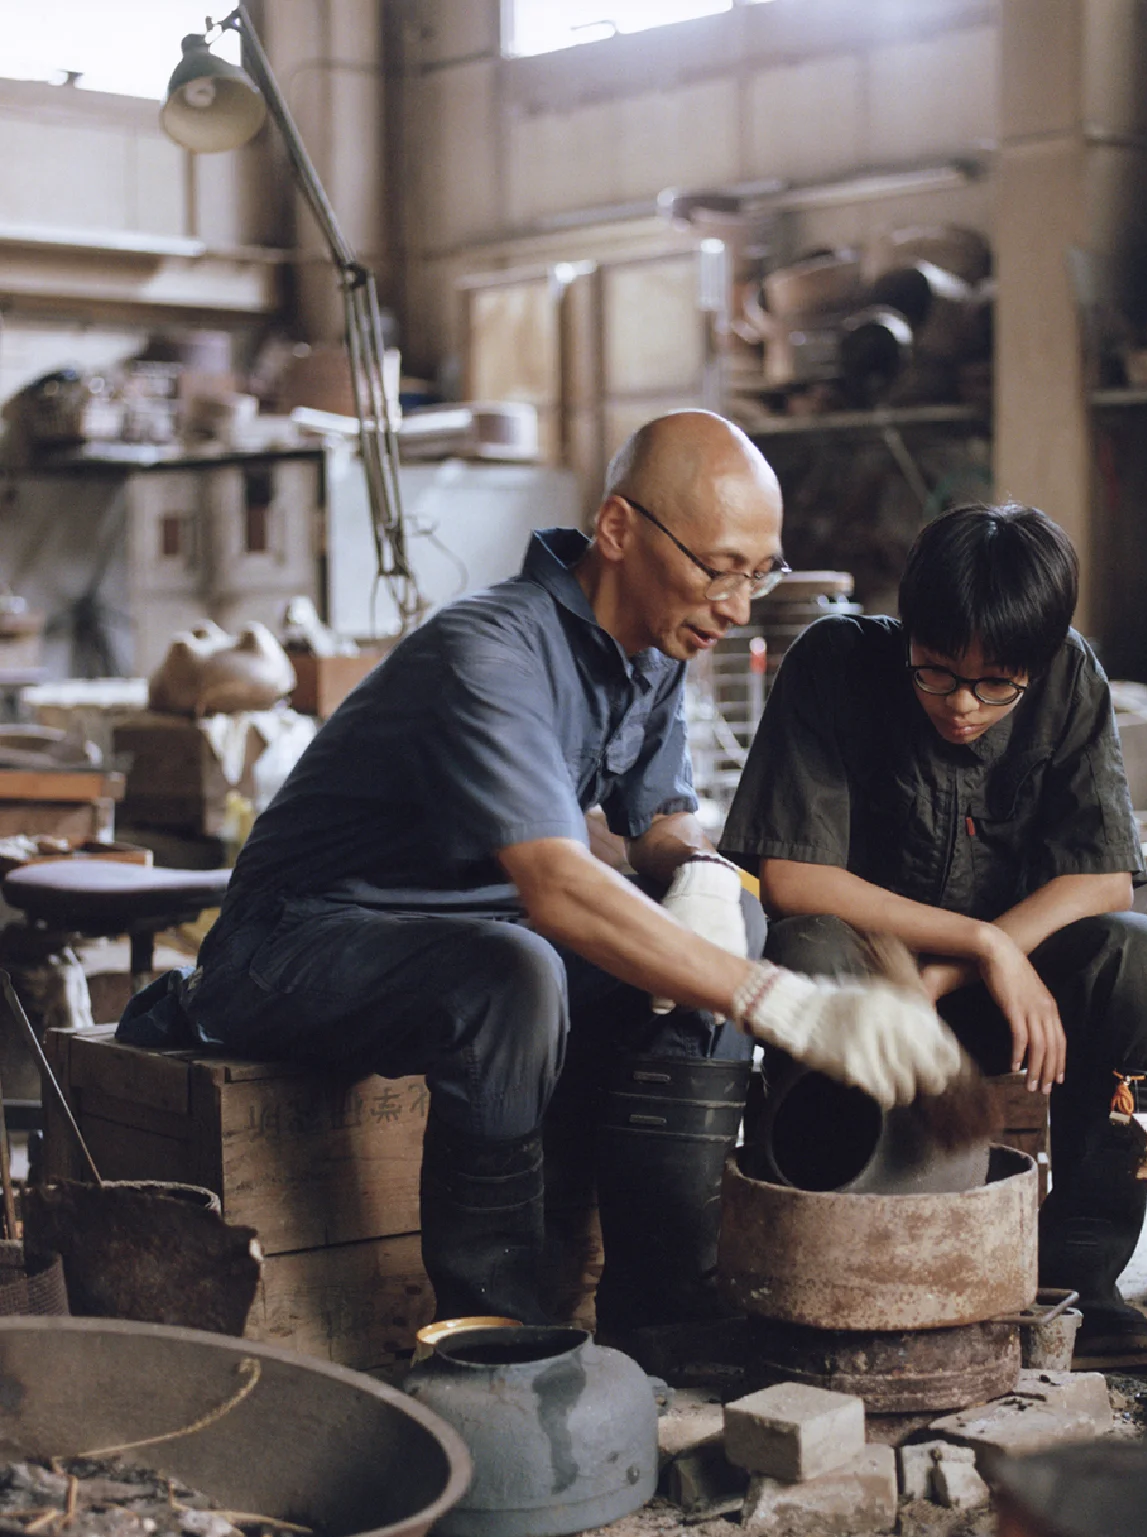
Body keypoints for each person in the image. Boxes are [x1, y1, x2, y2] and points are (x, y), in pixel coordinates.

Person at [131, 410, 963, 1335]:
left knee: (729, 919)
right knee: (515, 975)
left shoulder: (652, 652)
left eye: (757, 571)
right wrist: (788, 1005)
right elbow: (557, 887)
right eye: (719, 566)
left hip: (465, 938)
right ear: (617, 530)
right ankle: (495, 1340)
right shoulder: (490, 652)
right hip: (293, 946)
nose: (739, 603)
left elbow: (661, 828)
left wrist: (702, 878)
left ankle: (662, 1314)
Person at [720, 501, 1147, 1356]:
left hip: (1001, 1004)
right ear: (909, 633)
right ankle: (836, 1242)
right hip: (866, 1001)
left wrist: (976, 962)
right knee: (806, 948)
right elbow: (792, 879)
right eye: (935, 672)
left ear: (1034, 667)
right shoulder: (834, 663)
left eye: (995, 685)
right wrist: (979, 942)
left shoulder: (1069, 676)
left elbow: (1106, 874)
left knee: (1142, 958)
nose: (963, 705)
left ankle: (1080, 1262)